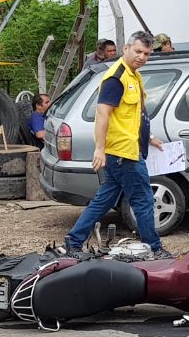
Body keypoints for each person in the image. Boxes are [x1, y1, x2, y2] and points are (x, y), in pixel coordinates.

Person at [63, 31, 169, 259]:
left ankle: (73, 241)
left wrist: (149, 138)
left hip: (126, 150)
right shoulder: (116, 77)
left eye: (147, 53)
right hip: (123, 154)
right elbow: (102, 114)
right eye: (138, 51)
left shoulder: (134, 75)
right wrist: (99, 149)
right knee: (143, 200)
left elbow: (132, 115)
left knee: (105, 198)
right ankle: (155, 248)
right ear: (126, 49)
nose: (142, 57)